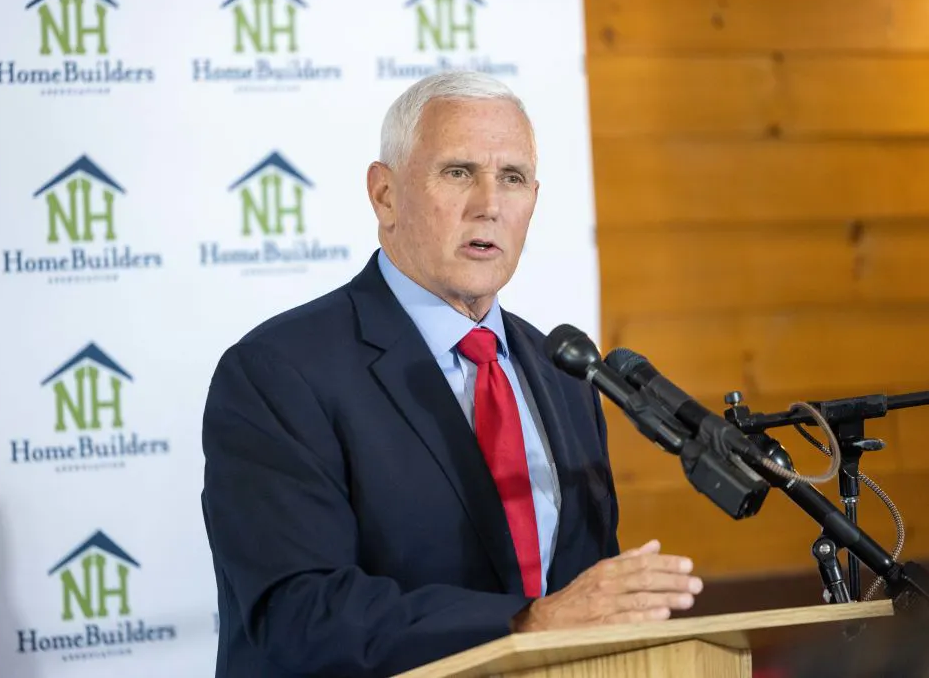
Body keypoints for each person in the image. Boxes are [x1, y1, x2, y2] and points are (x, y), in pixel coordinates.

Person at [200, 70, 703, 678]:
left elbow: (582, 602)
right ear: (385, 195)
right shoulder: (278, 373)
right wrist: (526, 623)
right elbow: (299, 613)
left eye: (512, 178)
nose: (489, 205)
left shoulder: (565, 372)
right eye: (459, 172)